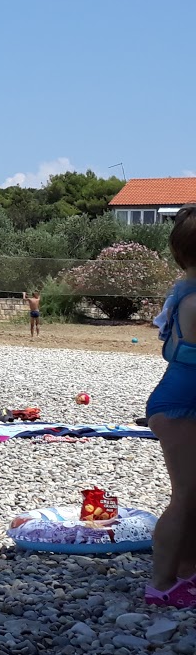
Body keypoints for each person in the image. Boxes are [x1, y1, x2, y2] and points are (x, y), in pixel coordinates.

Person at [146, 207, 196, 606]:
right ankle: (161, 586)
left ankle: (186, 573)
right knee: (185, 495)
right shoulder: (195, 300)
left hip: (180, 402)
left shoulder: (184, 290)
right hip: (180, 407)